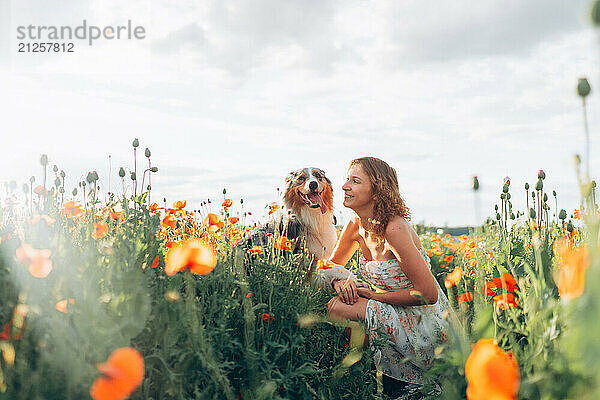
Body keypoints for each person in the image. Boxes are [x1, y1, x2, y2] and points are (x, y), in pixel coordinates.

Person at [317, 156, 450, 392]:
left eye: (355, 181)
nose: (345, 186)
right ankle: (373, 374)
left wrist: (374, 296)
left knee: (338, 307)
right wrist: (339, 279)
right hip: (391, 312)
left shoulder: (394, 228)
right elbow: (330, 266)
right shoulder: (355, 225)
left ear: (377, 191)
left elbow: (428, 294)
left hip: (422, 320)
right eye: (347, 179)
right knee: (338, 302)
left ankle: (386, 377)